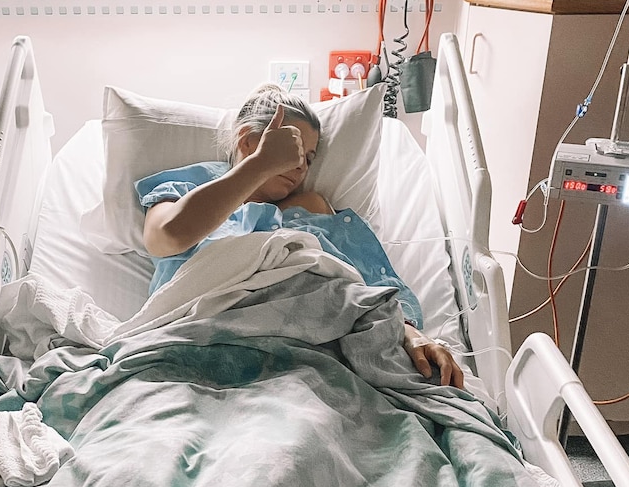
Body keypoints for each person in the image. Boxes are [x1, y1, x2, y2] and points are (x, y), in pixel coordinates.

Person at [137, 84, 464, 389]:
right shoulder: (186, 190)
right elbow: (166, 237)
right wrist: (259, 166)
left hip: (308, 360)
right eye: (291, 149)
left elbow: (362, 286)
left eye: (308, 159)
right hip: (194, 348)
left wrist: (410, 333)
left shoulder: (312, 209)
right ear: (247, 141)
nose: (300, 166)